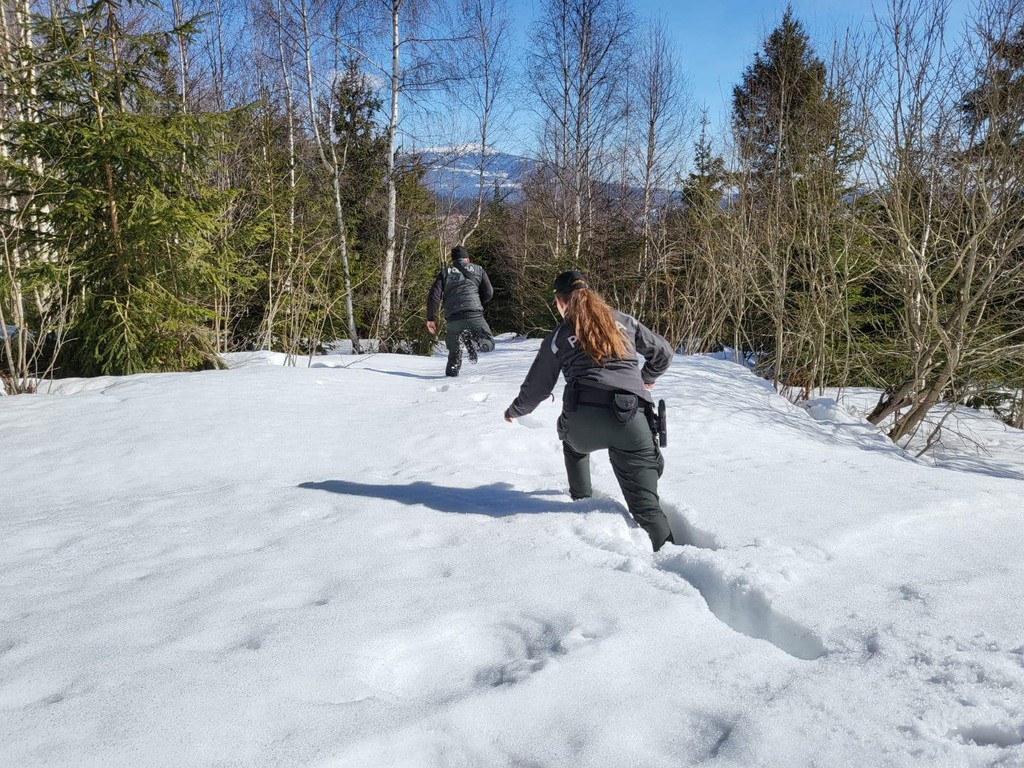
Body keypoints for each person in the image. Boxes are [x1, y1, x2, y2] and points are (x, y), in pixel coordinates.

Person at [503, 270, 676, 552]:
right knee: (647, 509)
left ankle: (582, 501)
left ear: (560, 303)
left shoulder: (559, 336)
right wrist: (647, 377)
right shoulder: (623, 321)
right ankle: (672, 556)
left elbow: (538, 387)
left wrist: (515, 410)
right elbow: (664, 352)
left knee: (572, 444)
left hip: (581, 420)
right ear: (592, 296)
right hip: (631, 418)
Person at [426, 245, 496, 377]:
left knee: (454, 354)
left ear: (453, 260)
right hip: (474, 315)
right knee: (489, 343)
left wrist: (430, 318)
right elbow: (489, 292)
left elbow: (434, 297)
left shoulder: (445, 273)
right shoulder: (479, 270)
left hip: (453, 318)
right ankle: (477, 345)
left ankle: (450, 379)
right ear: (467, 259)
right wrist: (478, 303)